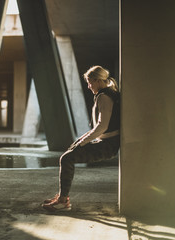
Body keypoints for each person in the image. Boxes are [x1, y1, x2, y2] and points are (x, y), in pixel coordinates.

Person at [42, 65, 120, 211]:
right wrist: (78, 141)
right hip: (107, 142)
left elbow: (102, 127)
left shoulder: (104, 97)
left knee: (66, 159)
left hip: (108, 145)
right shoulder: (108, 94)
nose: (89, 86)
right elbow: (99, 128)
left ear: (97, 81)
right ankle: (62, 197)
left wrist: (82, 142)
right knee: (68, 156)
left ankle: (63, 201)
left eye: (90, 82)